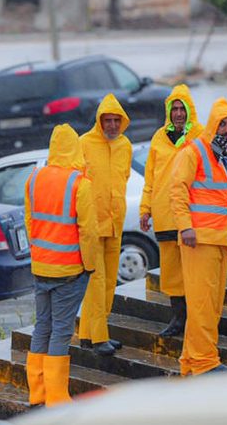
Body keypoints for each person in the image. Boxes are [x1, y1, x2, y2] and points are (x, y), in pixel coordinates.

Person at [169, 97, 227, 376]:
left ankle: (190, 363)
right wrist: (185, 226)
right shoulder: (194, 151)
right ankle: (205, 363)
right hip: (198, 240)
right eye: (223, 124)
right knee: (202, 303)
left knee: (212, 305)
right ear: (213, 125)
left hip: (222, 239)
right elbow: (177, 189)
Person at [24, 124, 98, 407]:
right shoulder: (80, 183)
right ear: (76, 148)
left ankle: (37, 393)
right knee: (61, 330)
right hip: (69, 270)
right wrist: (89, 266)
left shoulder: (34, 178)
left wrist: (39, 252)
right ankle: (56, 398)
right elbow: (87, 231)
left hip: (40, 265)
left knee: (42, 326)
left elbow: (30, 222)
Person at [139, 84, 204, 337]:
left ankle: (198, 320)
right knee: (173, 274)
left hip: (191, 216)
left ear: (190, 110)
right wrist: (145, 209)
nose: (178, 113)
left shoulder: (200, 136)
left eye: (182, 109)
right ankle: (178, 320)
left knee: (195, 271)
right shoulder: (158, 137)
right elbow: (150, 178)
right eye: (174, 109)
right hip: (165, 214)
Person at [78, 93, 132, 357]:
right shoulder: (83, 144)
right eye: (107, 120)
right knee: (96, 282)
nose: (112, 125)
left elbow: (123, 179)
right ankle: (100, 338)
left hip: (115, 223)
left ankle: (88, 334)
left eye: (116, 120)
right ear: (99, 121)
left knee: (110, 281)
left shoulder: (126, 146)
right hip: (90, 225)